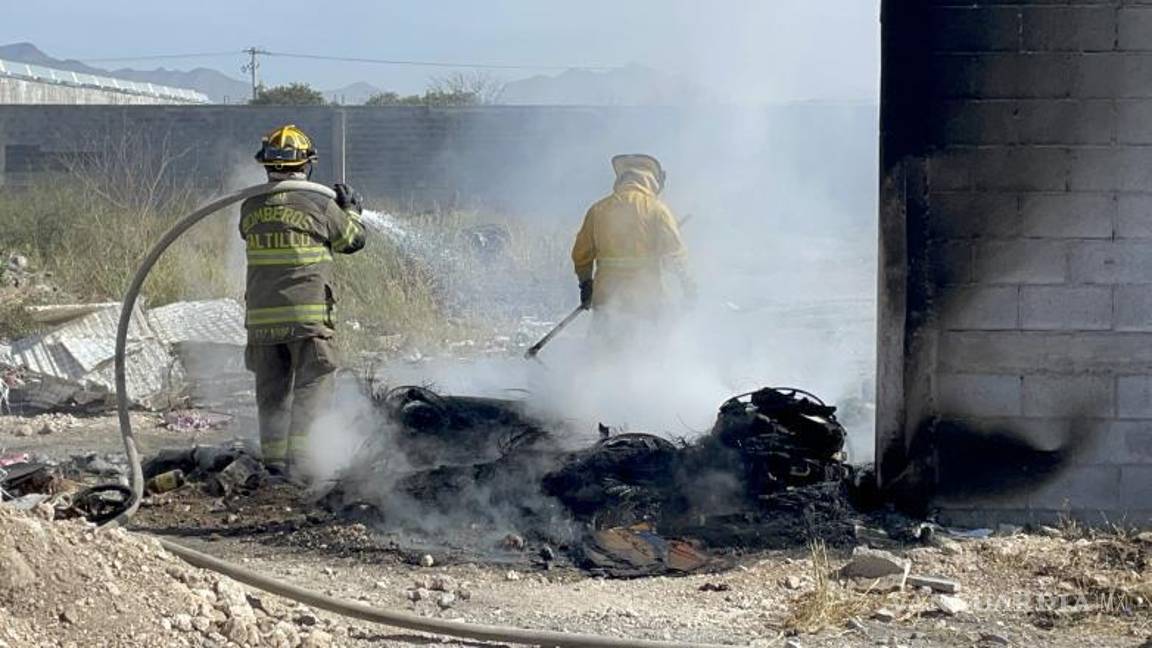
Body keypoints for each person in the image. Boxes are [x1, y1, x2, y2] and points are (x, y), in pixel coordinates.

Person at [239, 124, 366, 478]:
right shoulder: (319, 203)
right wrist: (352, 210)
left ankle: (274, 465)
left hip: (262, 320)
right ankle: (304, 464)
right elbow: (352, 241)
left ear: (267, 165)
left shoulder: (250, 206)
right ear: (306, 164)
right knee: (313, 385)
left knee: (271, 393)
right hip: (307, 319)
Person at [570, 154, 695, 346]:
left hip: (607, 299)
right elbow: (675, 255)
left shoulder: (598, 209)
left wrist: (586, 284)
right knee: (649, 355)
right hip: (646, 300)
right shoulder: (657, 209)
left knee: (601, 356)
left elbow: (581, 254)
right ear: (651, 181)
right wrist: (688, 285)